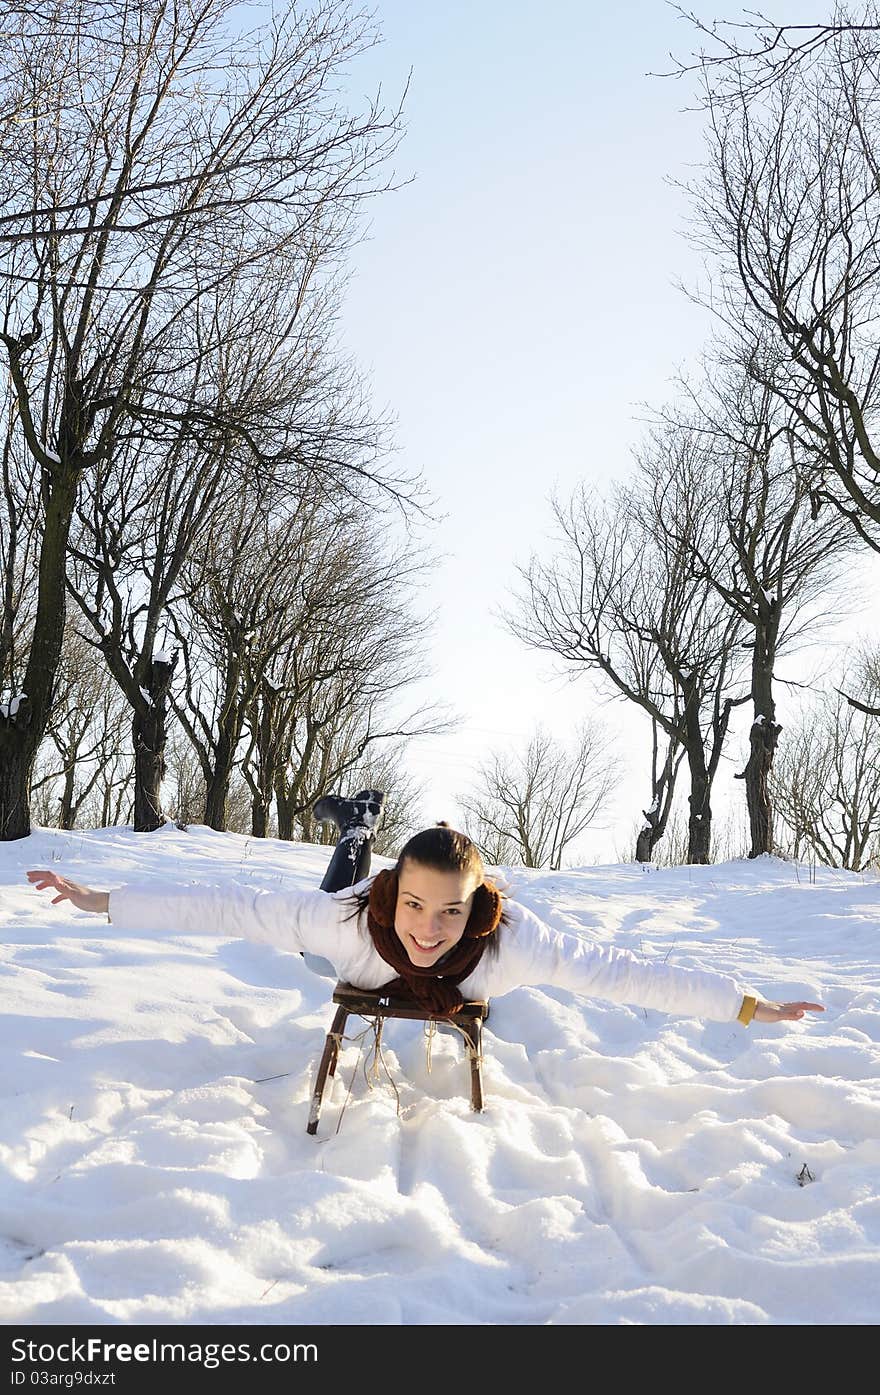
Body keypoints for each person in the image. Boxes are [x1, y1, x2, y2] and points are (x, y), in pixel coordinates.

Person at [26, 790, 823, 1028]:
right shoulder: (349, 921)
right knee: (330, 892)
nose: (428, 928)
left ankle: (365, 831)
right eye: (415, 904)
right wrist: (103, 899)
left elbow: (624, 972)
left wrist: (745, 1003)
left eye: (449, 911)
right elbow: (227, 905)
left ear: (478, 909)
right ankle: (360, 835)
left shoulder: (516, 943)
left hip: (423, 934)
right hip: (342, 931)